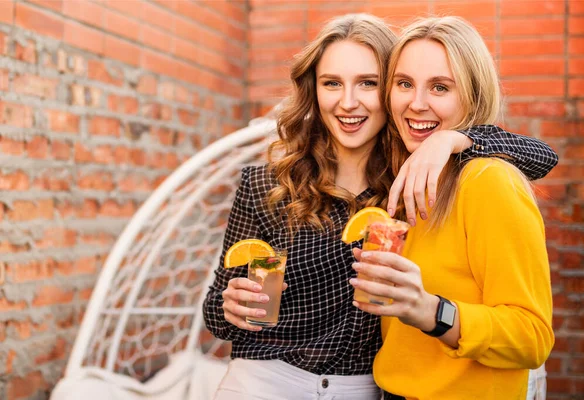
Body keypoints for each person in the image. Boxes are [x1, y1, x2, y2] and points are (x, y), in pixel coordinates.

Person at [203, 14, 556, 400]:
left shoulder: (410, 179)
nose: (348, 102)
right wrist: (230, 306)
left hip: (363, 386)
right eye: (332, 83)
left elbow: (542, 156)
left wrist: (453, 139)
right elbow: (218, 316)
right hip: (268, 378)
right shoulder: (268, 185)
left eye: (368, 83)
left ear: (384, 91)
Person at [349, 16, 554, 400]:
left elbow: (532, 337)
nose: (417, 103)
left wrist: (431, 310)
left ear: (472, 98)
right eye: (404, 84)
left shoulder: (488, 182)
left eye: (440, 87)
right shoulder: (400, 178)